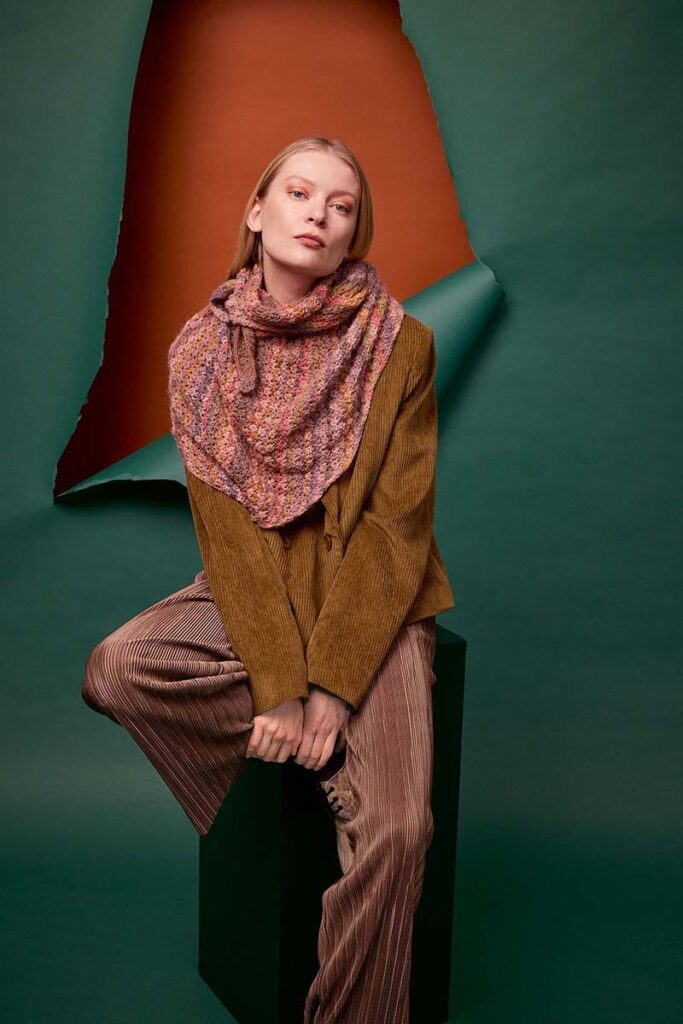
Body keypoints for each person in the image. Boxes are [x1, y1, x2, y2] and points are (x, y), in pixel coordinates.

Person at [82, 135, 455, 1024]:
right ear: (257, 211)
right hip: (256, 588)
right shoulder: (198, 355)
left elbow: (394, 529)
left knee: (399, 830)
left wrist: (330, 690)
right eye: (298, 193)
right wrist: (281, 690)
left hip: (374, 596)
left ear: (354, 231)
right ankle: (320, 761)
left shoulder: (401, 344)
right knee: (118, 667)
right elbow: (230, 538)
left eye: (340, 205)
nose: (317, 214)